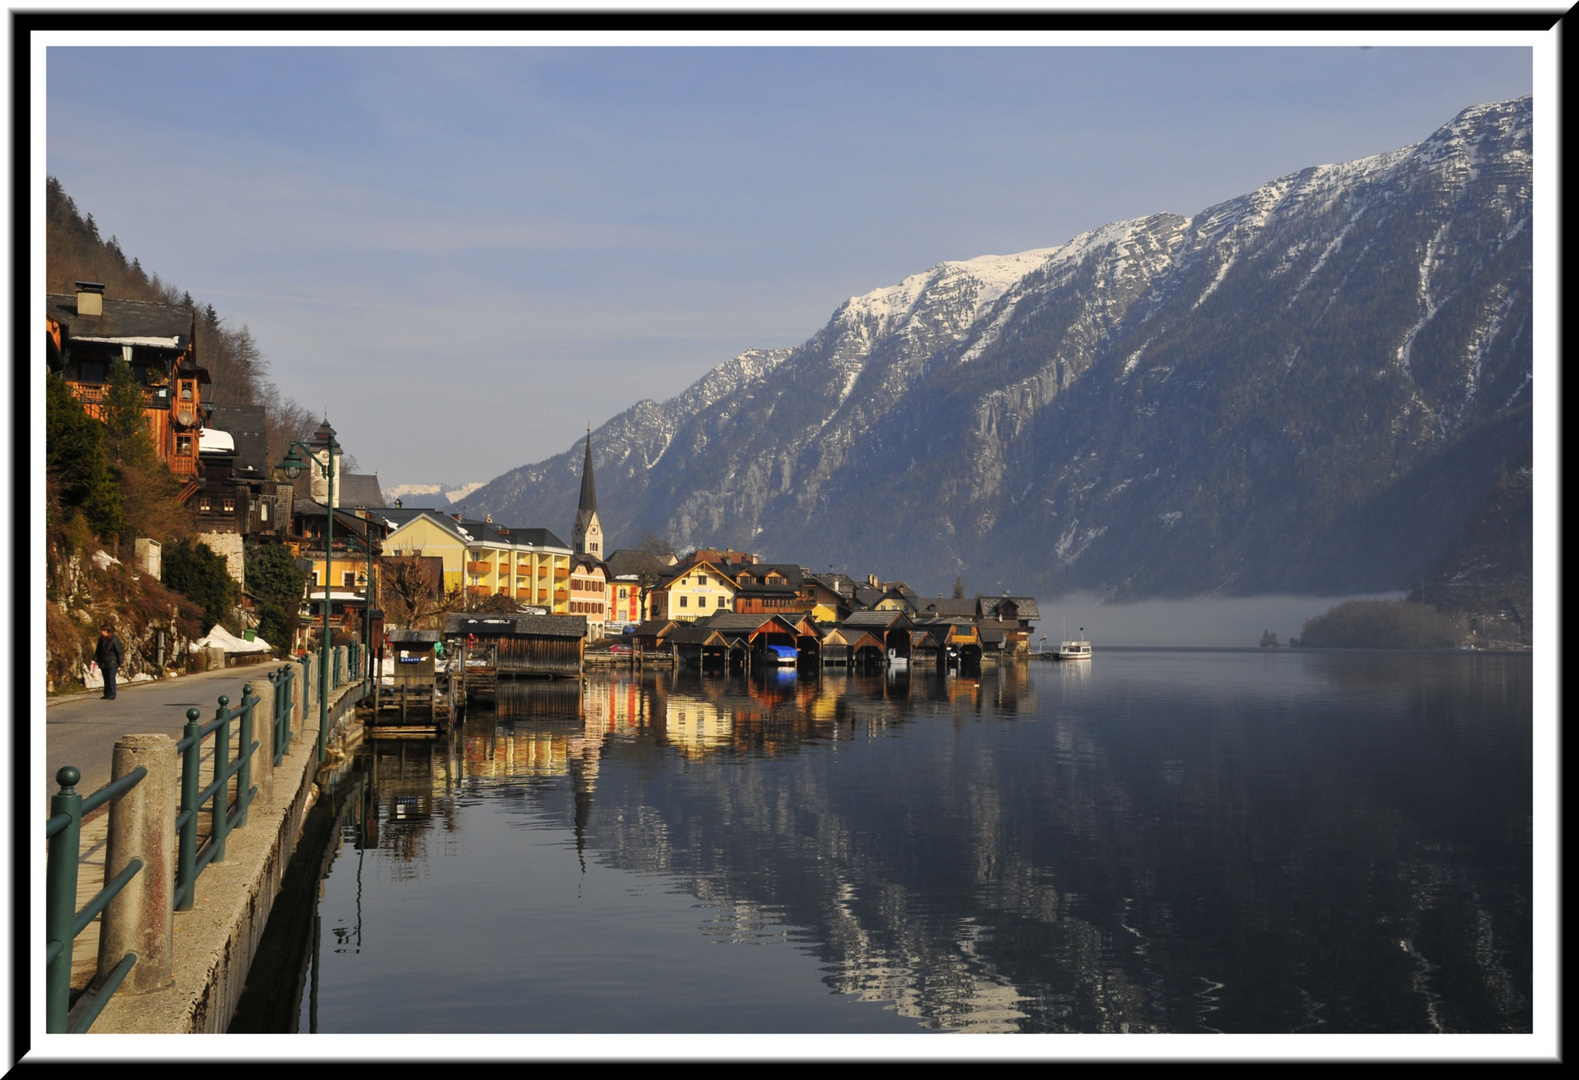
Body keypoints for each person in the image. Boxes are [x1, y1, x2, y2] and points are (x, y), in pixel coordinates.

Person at [94, 624, 125, 700]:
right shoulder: (101, 639)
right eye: (101, 630)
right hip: (103, 662)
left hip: (113, 662)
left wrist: (121, 661)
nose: (102, 632)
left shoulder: (114, 639)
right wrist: (95, 660)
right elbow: (98, 651)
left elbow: (119, 651)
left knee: (111, 677)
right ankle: (106, 693)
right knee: (105, 678)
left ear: (108, 631)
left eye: (104, 630)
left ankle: (112, 693)